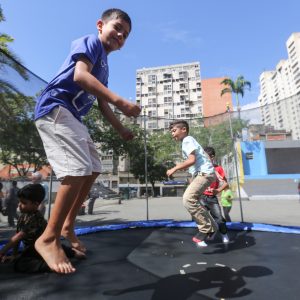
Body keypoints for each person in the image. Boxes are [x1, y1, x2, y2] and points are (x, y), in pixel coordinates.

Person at [33, 8, 140, 274]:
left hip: (72, 116)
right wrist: (122, 101)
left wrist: (121, 129)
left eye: (125, 35)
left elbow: (102, 104)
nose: (120, 35)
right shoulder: (90, 42)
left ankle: (68, 225)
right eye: (117, 28)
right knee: (78, 168)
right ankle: (48, 237)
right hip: (56, 107)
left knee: (94, 167)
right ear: (100, 25)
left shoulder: (104, 66)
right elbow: (80, 76)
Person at [0, 184, 85, 273]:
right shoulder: (23, 216)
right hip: (31, 249)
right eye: (19, 202)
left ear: (36, 204)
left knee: (20, 264)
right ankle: (71, 252)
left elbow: (19, 236)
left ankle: (51, 264)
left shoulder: (35, 218)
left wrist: (2, 252)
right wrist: (14, 254)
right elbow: (17, 237)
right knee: (21, 259)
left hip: (42, 249)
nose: (19, 205)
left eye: (24, 203)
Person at [166, 120, 218, 248]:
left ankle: (206, 228)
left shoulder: (187, 140)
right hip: (205, 173)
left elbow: (192, 160)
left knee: (188, 199)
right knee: (193, 200)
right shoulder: (191, 141)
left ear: (183, 129)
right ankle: (212, 226)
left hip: (204, 174)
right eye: (171, 132)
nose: (172, 134)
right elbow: (202, 155)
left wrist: (175, 168)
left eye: (174, 131)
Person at [200, 146, 229, 244]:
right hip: (202, 197)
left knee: (220, 219)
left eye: (206, 157)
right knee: (201, 218)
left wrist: (218, 190)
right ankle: (204, 236)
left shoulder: (218, 169)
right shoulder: (201, 168)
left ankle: (224, 234)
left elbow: (225, 183)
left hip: (212, 198)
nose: (204, 159)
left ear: (212, 157)